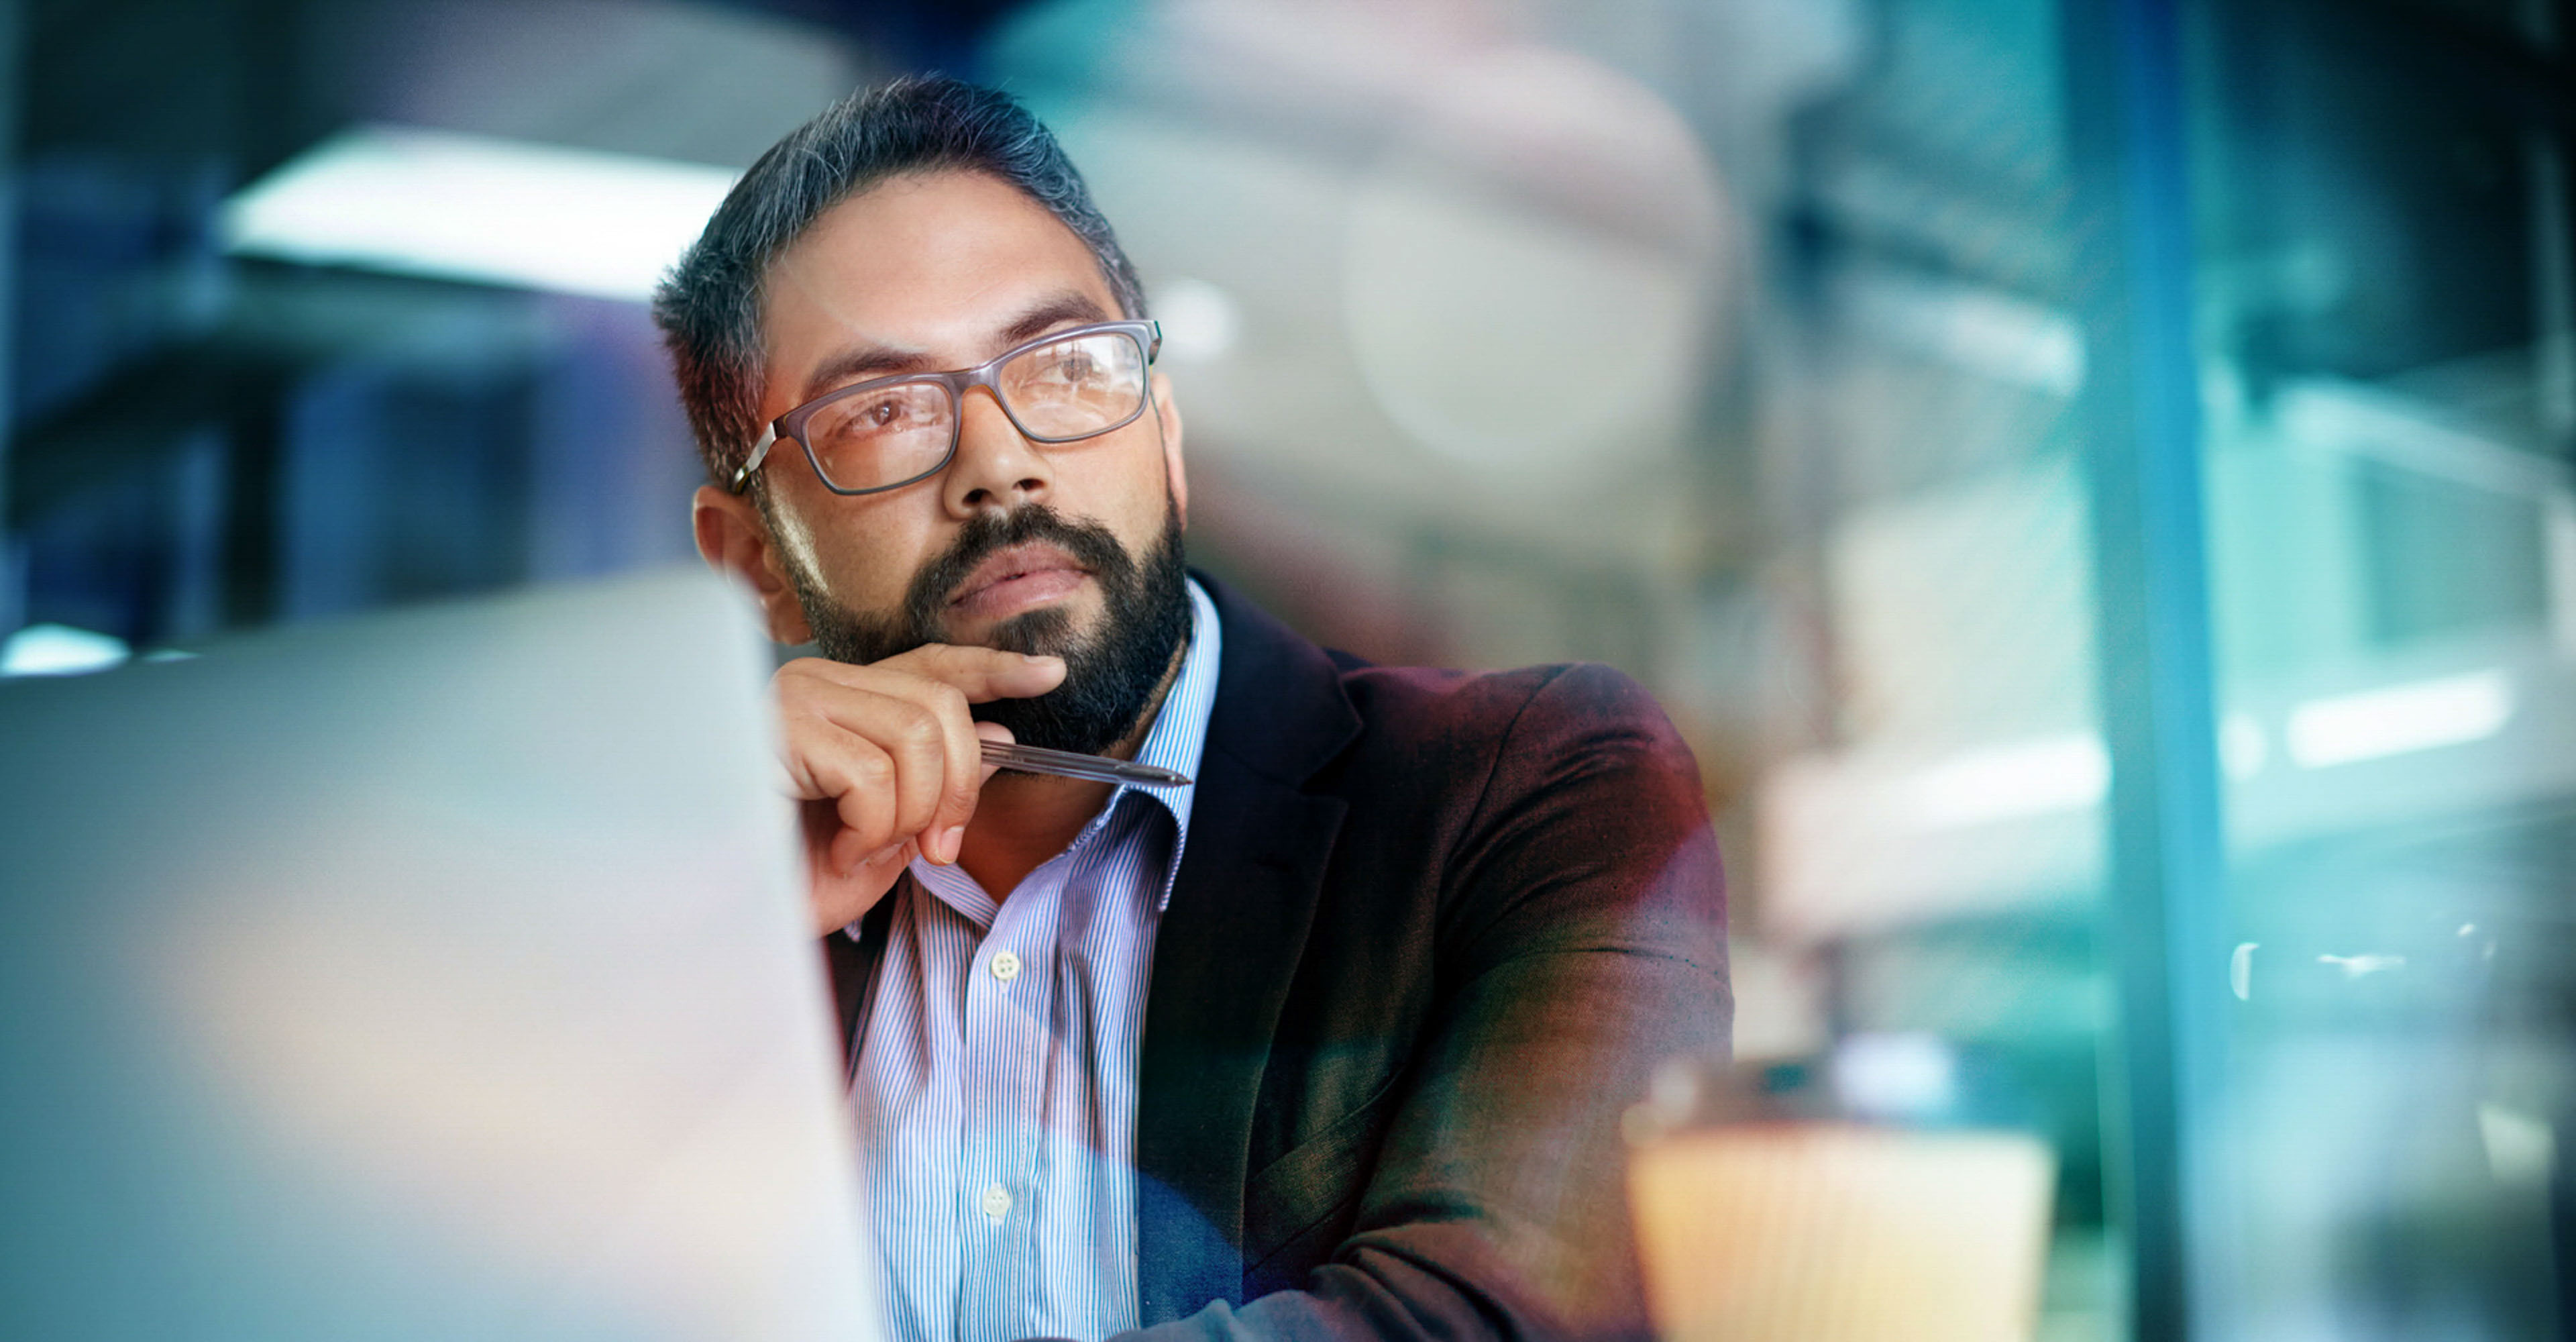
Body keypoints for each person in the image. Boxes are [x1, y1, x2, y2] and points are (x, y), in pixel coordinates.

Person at [653, 75, 1729, 1342]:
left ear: (1162, 433)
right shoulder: (701, 915)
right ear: (755, 564)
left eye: (1063, 366)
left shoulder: (1538, 786)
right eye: (882, 412)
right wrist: (711, 947)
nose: (1001, 464)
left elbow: (1497, 1323)